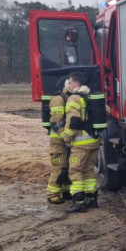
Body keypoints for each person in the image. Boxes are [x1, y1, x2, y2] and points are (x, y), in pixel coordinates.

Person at [59, 71, 101, 213]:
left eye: (70, 82)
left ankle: (79, 202)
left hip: (80, 143)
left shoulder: (74, 99)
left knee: (75, 171)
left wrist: (66, 138)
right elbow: (105, 111)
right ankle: (92, 199)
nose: (68, 85)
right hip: (94, 141)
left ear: (76, 84)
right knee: (89, 170)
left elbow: (73, 122)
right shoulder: (92, 96)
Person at [45, 74, 80, 204]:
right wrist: (65, 138)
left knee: (68, 167)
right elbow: (56, 122)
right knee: (59, 168)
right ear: (67, 85)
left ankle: (66, 191)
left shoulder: (73, 98)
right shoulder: (58, 99)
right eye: (70, 83)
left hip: (67, 140)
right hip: (58, 141)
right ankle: (52, 194)